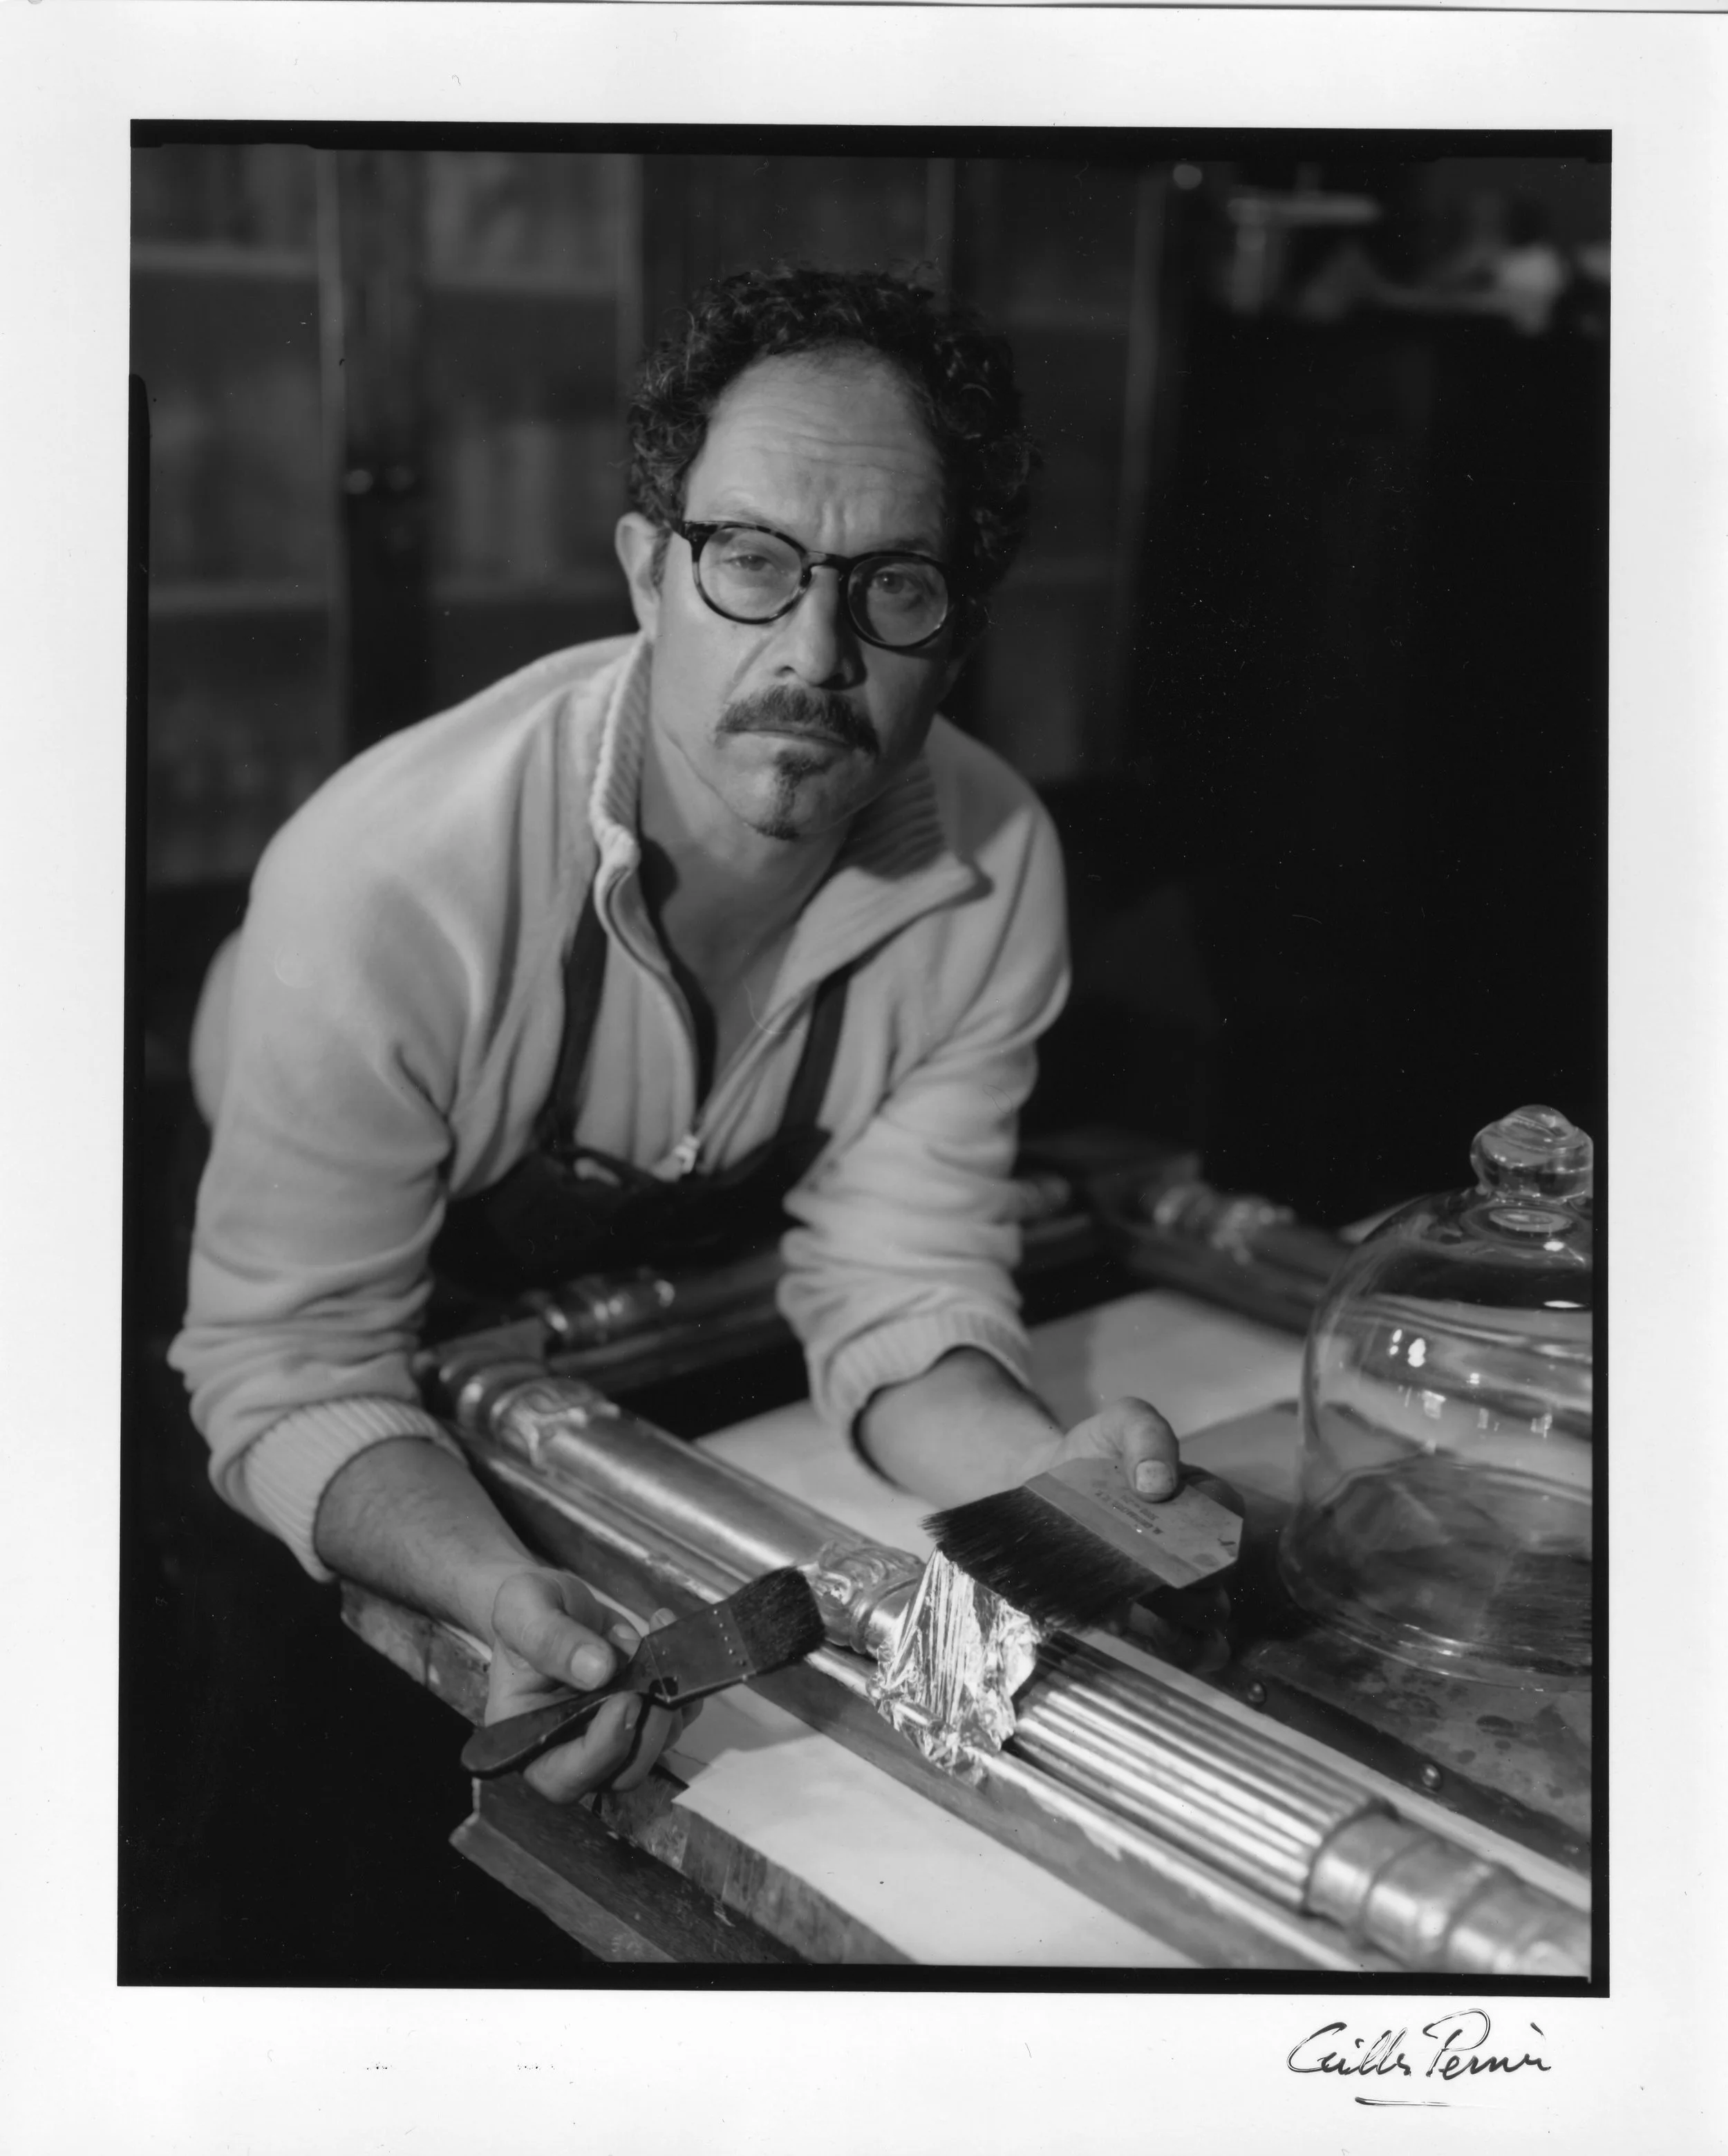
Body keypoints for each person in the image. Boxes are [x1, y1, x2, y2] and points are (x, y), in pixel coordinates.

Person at [171, 264, 1183, 1808]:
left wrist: (1041, 1479)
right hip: (271, 1255)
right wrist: (496, 1593)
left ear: (957, 632)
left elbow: (896, 1284)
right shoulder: (387, 879)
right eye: (752, 563)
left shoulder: (997, 866)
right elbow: (293, 1362)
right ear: (647, 571)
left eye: (891, 584)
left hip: (607, 1331)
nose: (817, 653)